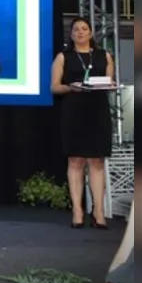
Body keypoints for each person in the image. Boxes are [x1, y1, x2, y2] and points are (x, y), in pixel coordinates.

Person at [51, 17, 114, 229]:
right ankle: (77, 210)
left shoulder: (104, 55)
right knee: (75, 161)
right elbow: (55, 87)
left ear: (91, 33)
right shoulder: (63, 57)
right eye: (76, 29)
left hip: (97, 110)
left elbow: (109, 82)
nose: (80, 32)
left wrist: (110, 84)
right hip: (73, 112)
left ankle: (98, 211)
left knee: (96, 161)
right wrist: (72, 87)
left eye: (84, 29)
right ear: (71, 34)